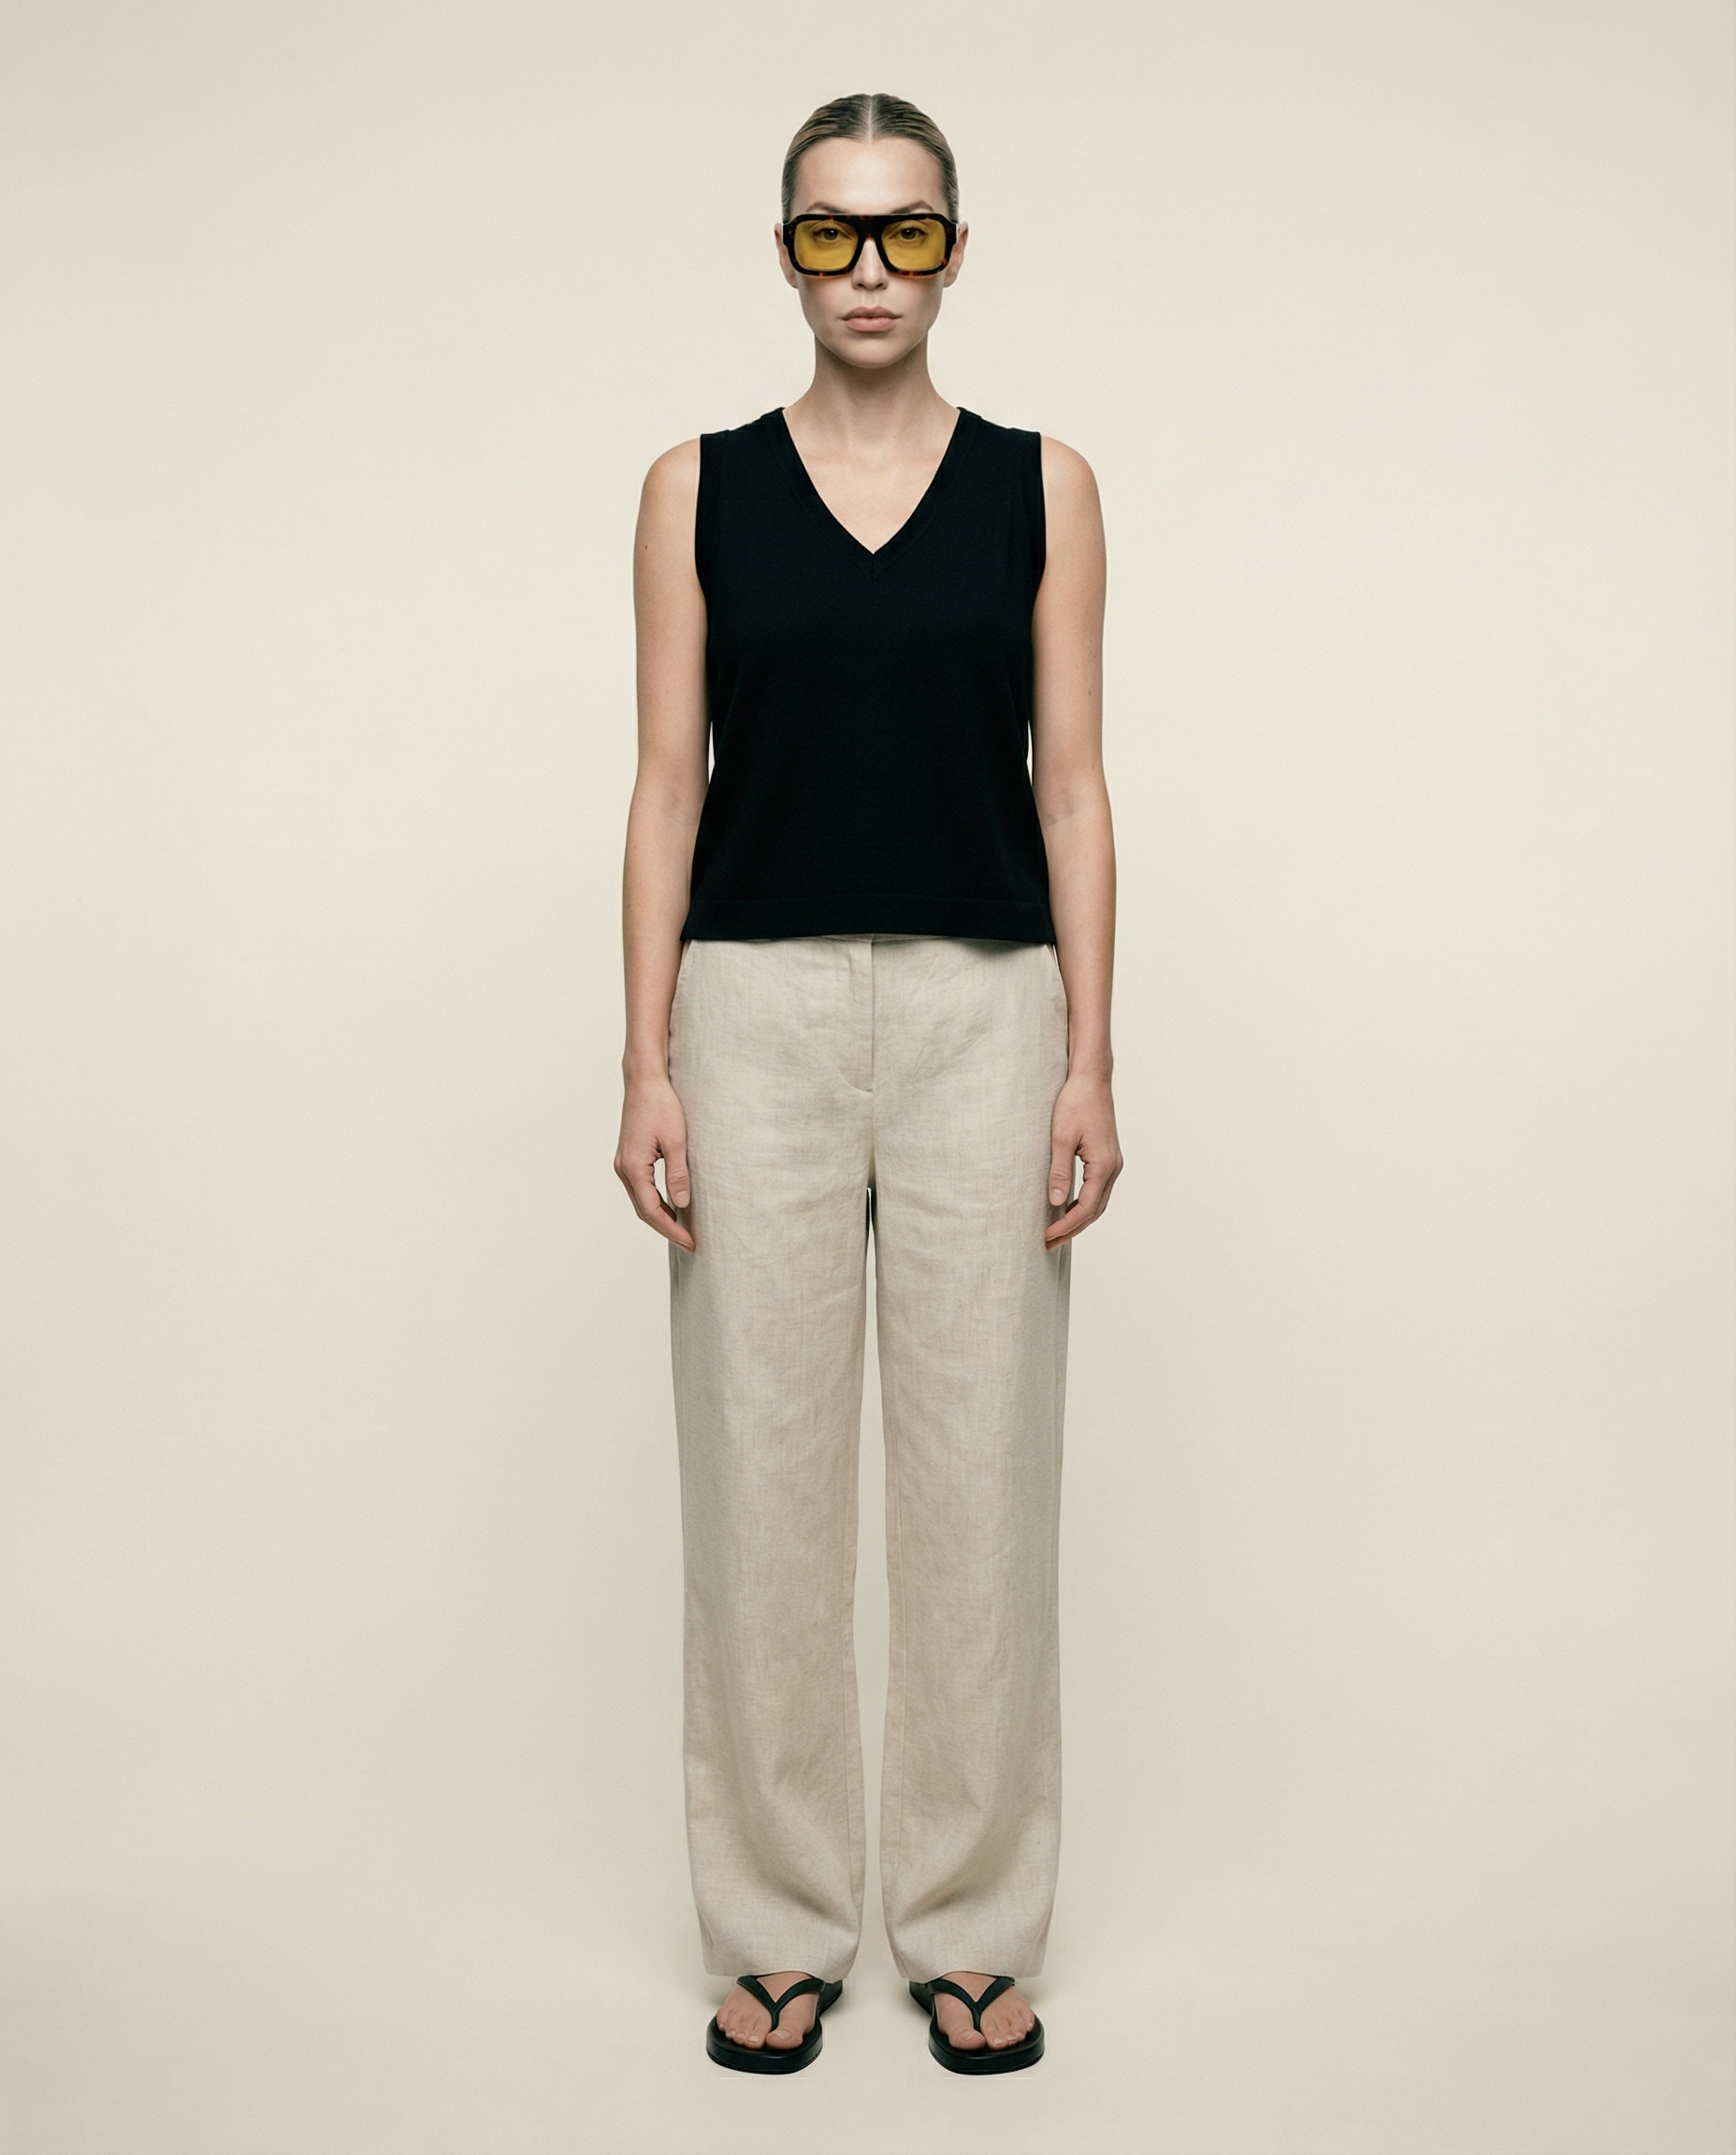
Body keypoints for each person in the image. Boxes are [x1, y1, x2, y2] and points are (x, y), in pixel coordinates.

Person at [614, 90, 1121, 2076]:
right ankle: (777, 1922)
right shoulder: (694, 489)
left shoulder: (1045, 489)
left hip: (990, 1010)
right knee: (760, 1475)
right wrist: (643, 1057)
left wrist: (1092, 1056)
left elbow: (1071, 787)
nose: (870, 271)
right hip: (752, 1014)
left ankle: (973, 1925)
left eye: (906, 232)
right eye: (832, 233)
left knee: (985, 1475)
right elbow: (667, 788)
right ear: (785, 254)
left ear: (957, 251)